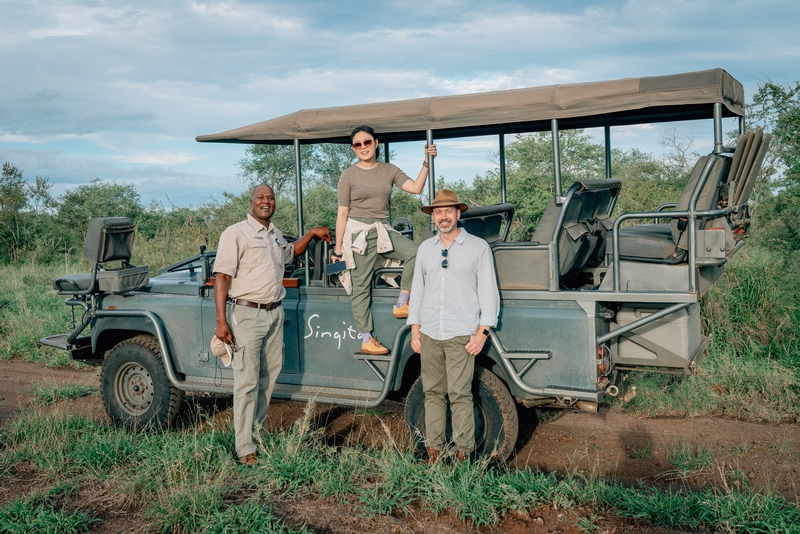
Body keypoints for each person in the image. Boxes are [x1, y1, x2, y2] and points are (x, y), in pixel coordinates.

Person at [214, 184, 331, 466]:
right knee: (246, 382)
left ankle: (258, 436)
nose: (266, 202)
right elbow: (222, 277)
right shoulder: (236, 233)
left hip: (274, 313)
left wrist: (312, 234)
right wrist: (221, 321)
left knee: (268, 380)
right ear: (251, 202)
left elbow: (291, 253)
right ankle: (245, 449)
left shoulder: (275, 233)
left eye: (271, 198)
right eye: (261, 198)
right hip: (247, 314)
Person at [407, 189, 500, 461]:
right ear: (433, 217)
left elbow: (488, 293)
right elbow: (418, 290)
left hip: (462, 333)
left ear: (459, 214)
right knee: (432, 393)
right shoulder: (426, 249)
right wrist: (416, 330)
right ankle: (434, 452)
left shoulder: (478, 247)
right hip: (431, 332)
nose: (444, 217)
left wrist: (483, 332)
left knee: (460, 394)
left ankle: (463, 456)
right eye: (438, 212)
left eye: (449, 211)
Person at [334, 125, 437, 355]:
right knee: (360, 287)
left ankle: (402, 302)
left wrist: (426, 163)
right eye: (357, 144)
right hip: (358, 233)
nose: (363, 147)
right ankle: (366, 338)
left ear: (376, 143)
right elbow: (342, 212)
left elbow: (416, 188)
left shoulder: (388, 169)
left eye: (367, 142)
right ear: (353, 148)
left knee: (416, 252)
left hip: (383, 230)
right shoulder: (348, 175)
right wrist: (338, 247)